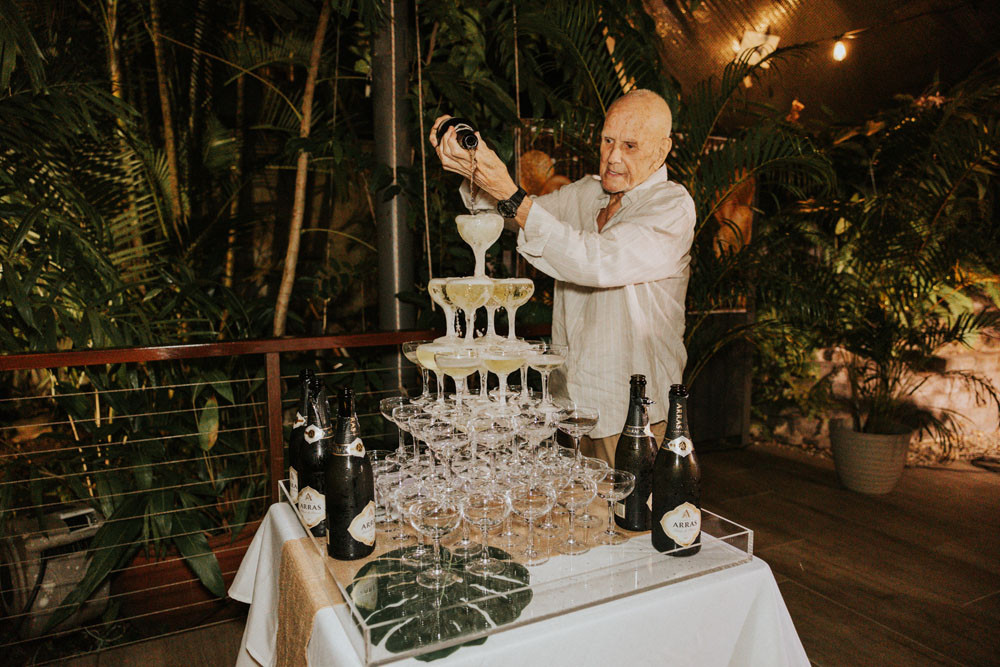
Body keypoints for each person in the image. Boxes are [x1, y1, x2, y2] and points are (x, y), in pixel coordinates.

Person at [430, 89, 695, 464]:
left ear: (662, 150)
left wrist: (507, 190)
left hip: (634, 416)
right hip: (570, 409)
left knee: (633, 522)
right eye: (607, 141)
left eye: (631, 146)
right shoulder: (587, 194)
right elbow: (514, 214)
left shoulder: (671, 208)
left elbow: (595, 262)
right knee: (576, 518)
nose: (613, 157)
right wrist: (473, 167)